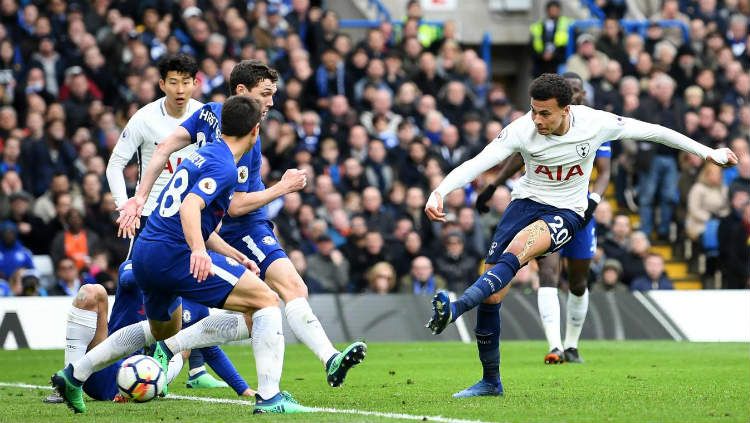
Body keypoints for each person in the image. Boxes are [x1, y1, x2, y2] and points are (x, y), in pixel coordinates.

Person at [424, 73, 737, 398]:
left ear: (566, 109)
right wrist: (440, 191)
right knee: (492, 295)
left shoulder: (595, 123)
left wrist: (707, 152)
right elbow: (477, 163)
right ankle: (490, 381)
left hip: (567, 212)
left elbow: (655, 132)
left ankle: (458, 307)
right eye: (533, 111)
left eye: (545, 113)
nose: (537, 119)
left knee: (518, 252)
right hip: (524, 204)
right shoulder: (521, 129)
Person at [51, 96, 310, 414]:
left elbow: (188, 213)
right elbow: (190, 207)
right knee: (267, 300)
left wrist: (232, 254)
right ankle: (270, 398)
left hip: (147, 251)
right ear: (255, 131)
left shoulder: (202, 156)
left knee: (162, 331)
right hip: (176, 254)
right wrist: (199, 251)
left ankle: (74, 375)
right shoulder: (226, 165)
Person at [116, 60, 365, 388]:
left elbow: (162, 148)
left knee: (267, 305)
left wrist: (140, 197)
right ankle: (317, 364)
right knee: (280, 296)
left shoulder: (209, 113)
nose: (271, 102)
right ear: (241, 92)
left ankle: (170, 347)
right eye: (265, 94)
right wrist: (282, 188)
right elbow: (235, 206)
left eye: (273, 94)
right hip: (239, 228)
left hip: (214, 227)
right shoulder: (244, 136)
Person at [104, 53, 226, 390]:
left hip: (189, 217)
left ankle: (197, 368)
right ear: (162, 84)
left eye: (186, 81)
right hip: (149, 219)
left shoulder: (207, 118)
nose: (180, 88)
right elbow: (115, 165)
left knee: (199, 281)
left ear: (195, 83)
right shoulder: (144, 119)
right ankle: (130, 358)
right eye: (173, 81)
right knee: (140, 286)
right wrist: (125, 205)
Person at [474, 72, 611, 368]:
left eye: (577, 90)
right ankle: (555, 346)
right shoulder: (540, 126)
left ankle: (572, 344)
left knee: (577, 281)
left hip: (579, 210)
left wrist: (594, 201)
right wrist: (494, 184)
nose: (574, 94)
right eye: (570, 89)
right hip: (544, 208)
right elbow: (519, 156)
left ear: (580, 96)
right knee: (548, 272)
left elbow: (606, 171)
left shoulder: (595, 126)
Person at [44, 261, 254, 404]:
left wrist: (242, 389)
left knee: (186, 343)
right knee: (91, 291)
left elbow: (211, 349)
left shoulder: (197, 304)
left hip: (142, 381)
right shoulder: (137, 265)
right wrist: (164, 274)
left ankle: (156, 382)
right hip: (103, 368)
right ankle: (67, 383)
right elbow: (127, 279)